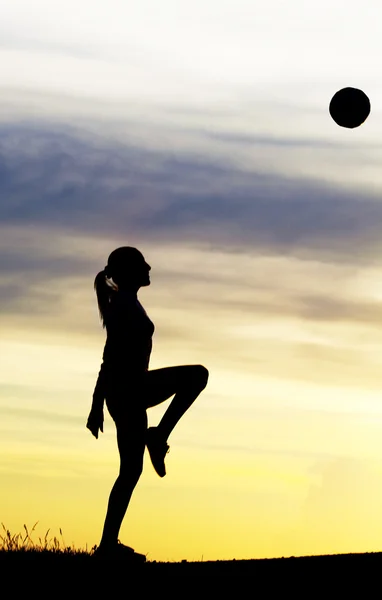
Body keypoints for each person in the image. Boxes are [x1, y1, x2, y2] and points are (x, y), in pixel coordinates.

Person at [86, 246, 209, 561]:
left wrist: (99, 404)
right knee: (197, 376)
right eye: (142, 264)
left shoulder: (126, 303)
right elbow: (109, 357)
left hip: (125, 391)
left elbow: (109, 359)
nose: (149, 267)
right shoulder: (123, 305)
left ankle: (107, 546)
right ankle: (158, 436)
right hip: (129, 389)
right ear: (129, 271)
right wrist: (96, 404)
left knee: (130, 471)